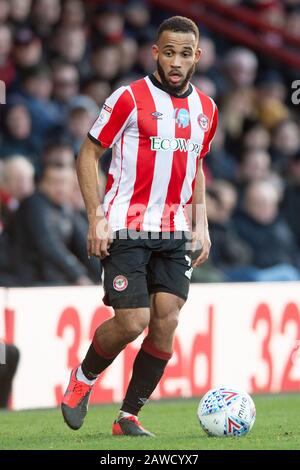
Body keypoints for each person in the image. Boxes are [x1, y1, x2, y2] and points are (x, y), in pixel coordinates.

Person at [61, 15, 218, 437]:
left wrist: (199, 223)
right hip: (125, 227)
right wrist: (95, 217)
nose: (176, 61)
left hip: (172, 232)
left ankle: (128, 415)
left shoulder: (207, 109)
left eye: (185, 54)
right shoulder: (128, 98)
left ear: (197, 57)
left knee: (166, 321)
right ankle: (84, 378)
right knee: (133, 321)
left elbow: (195, 165)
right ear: (155, 52)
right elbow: (88, 154)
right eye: (168, 52)